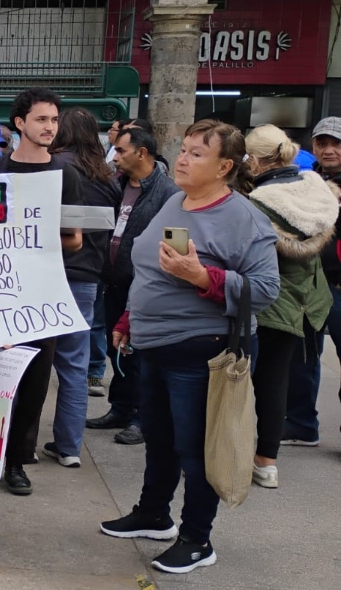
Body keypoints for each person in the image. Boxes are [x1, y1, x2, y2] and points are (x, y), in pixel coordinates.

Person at [101, 119, 278, 575]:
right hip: (155, 345)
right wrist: (130, 317)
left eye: (197, 153)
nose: (182, 158)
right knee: (159, 439)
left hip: (205, 350)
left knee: (197, 450)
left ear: (224, 166)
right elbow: (152, 268)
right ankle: (153, 513)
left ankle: (198, 539)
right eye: (183, 149)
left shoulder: (244, 218)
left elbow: (265, 289)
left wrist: (203, 278)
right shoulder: (176, 202)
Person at [0, 88, 82, 496]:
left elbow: (76, 240)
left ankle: (16, 461)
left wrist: (36, 238)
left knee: (33, 382)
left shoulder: (67, 174)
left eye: (54, 120)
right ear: (20, 123)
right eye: (42, 120)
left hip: (42, 294)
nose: (50, 127)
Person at [243, 124, 338, 488]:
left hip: (270, 299)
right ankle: (267, 461)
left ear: (254, 160)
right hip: (309, 298)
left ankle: (234, 452)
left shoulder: (259, 203)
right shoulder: (315, 188)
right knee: (276, 378)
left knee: (248, 380)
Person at [87, 128, 179, 445]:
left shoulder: (168, 193)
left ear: (142, 153)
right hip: (112, 282)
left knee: (138, 353)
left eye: (121, 150)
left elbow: (175, 242)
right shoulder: (116, 186)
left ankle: (142, 416)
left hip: (144, 286)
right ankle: (121, 408)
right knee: (118, 350)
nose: (115, 156)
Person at [40, 108, 119, 468]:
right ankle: (69, 447)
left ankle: (14, 443)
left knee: (24, 361)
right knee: (74, 365)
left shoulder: (50, 168)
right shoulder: (108, 179)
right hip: (86, 278)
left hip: (45, 275)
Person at [284, 116, 341, 446]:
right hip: (308, 285)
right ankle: (302, 424)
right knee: (302, 357)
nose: (329, 150)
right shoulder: (305, 180)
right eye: (323, 143)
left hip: (337, 286)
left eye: (336, 143)